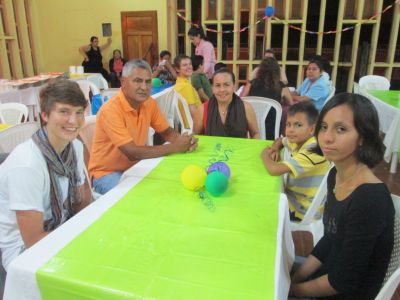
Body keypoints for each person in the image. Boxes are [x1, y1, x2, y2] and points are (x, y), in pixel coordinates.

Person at [289, 93, 394, 299]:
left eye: (341, 129)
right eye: (323, 127)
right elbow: (330, 236)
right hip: (325, 276)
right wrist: (297, 276)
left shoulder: (369, 199)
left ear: (363, 136)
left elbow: (342, 281)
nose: (327, 138)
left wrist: (290, 290)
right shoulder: (336, 175)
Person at [0, 79, 93, 271]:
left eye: (78, 112)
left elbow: (82, 202)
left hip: (61, 226)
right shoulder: (27, 165)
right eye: (64, 112)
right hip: (22, 250)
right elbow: (33, 241)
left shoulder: (74, 147)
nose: (73, 121)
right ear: (44, 115)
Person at [89, 59, 198, 194]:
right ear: (123, 82)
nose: (144, 87)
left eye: (148, 81)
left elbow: (167, 133)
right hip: (106, 174)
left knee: (170, 185)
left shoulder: (148, 103)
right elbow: (132, 152)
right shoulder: (110, 110)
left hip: (136, 166)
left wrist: (185, 141)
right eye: (137, 81)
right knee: (138, 197)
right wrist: (175, 146)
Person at [261, 102, 330, 221]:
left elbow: (274, 170)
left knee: (261, 207)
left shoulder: (313, 151)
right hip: (293, 197)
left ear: (312, 129)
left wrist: (264, 155)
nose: (291, 130)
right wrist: (275, 149)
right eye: (288, 124)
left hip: (302, 210)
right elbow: (280, 140)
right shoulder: (298, 140)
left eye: (298, 125)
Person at [193, 68, 260, 139]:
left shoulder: (246, 108)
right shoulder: (202, 109)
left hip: (239, 149)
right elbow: (196, 136)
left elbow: (255, 133)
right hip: (211, 149)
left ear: (233, 86)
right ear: (212, 88)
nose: (222, 90)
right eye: (218, 85)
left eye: (226, 85)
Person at [241, 57, 294, 138]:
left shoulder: (251, 84)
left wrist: (251, 78)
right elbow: (291, 103)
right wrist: (284, 80)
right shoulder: (281, 87)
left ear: (260, 70)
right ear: (277, 71)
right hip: (272, 133)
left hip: (250, 132)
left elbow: (241, 99)